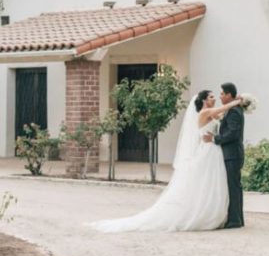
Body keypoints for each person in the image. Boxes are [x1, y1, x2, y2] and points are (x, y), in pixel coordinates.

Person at [91, 89, 241, 232]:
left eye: (215, 96)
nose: (214, 98)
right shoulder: (205, 112)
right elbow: (223, 109)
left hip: (213, 151)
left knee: (211, 183)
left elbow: (220, 119)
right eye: (211, 97)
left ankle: (213, 211)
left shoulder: (211, 114)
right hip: (208, 151)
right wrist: (237, 101)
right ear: (203, 101)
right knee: (207, 182)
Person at [203, 82, 245, 229]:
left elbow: (232, 133)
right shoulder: (232, 109)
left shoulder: (234, 111)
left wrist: (215, 139)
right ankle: (237, 218)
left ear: (228, 95)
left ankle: (235, 220)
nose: (220, 96)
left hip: (232, 154)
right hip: (231, 154)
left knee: (233, 186)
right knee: (234, 186)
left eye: (221, 93)